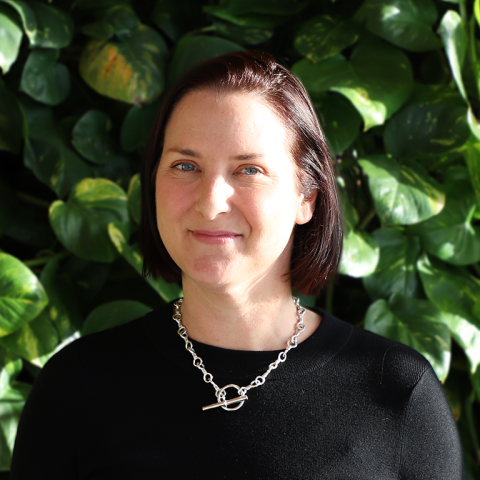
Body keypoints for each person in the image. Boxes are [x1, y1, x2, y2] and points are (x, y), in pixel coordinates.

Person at [11, 51, 463, 479]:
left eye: (249, 170)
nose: (210, 203)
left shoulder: (396, 391)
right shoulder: (78, 387)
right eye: (185, 166)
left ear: (306, 197)